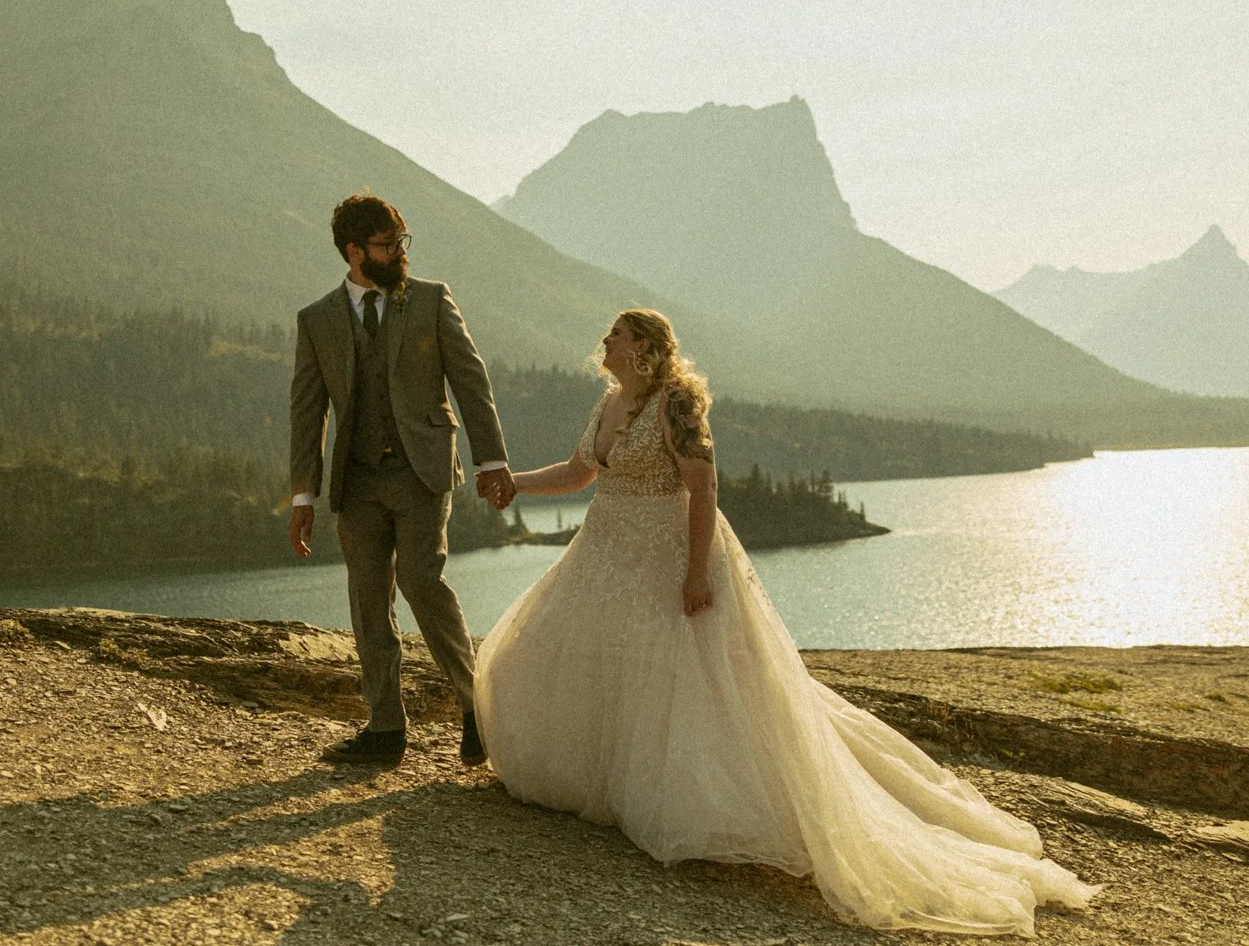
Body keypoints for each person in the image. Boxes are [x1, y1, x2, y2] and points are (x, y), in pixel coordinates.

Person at [474, 309, 1097, 936]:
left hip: (665, 550)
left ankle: (687, 803)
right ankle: (597, 782)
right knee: (579, 658)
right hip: (605, 551)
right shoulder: (609, 402)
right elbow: (582, 473)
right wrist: (516, 486)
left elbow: (703, 485)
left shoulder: (677, 405)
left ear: (644, 348)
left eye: (616, 335)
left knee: (686, 678)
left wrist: (697, 572)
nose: (604, 342)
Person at [289, 194, 516, 767]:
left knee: (420, 579)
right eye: (388, 245)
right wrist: (302, 495)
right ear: (355, 251)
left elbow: (471, 381)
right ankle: (386, 728)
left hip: (422, 470)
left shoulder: (433, 301)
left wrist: (492, 462)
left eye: (401, 242)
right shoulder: (316, 319)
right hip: (357, 481)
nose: (400, 253)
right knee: (368, 598)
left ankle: (475, 710)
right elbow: (307, 411)